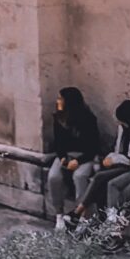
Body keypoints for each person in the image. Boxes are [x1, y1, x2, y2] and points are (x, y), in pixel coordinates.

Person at [72, 100, 130, 218]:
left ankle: (79, 211)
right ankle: (96, 216)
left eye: (124, 123)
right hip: (117, 164)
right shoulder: (122, 128)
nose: (122, 125)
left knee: (99, 177)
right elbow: (117, 148)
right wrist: (110, 158)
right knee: (97, 175)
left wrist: (115, 159)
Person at [44, 86, 104, 233]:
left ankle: (83, 217)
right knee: (53, 177)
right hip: (66, 155)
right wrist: (63, 158)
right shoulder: (58, 119)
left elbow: (93, 147)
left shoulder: (88, 119)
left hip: (84, 157)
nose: (57, 101)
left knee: (80, 176)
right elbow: (58, 143)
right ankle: (59, 215)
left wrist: (79, 161)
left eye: (60, 99)